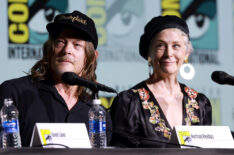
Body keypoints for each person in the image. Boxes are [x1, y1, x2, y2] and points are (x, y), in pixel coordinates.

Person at [0, 10, 112, 147]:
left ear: (91, 57)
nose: (67, 50)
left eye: (77, 45)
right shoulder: (15, 93)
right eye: (60, 42)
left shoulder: (98, 114)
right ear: (49, 50)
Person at [110, 15, 212, 148]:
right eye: (160, 46)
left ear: (186, 53)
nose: (169, 53)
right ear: (149, 54)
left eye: (176, 46)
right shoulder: (129, 102)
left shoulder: (201, 103)